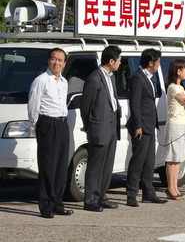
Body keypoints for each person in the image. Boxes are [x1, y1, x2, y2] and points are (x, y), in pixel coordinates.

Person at [28, 47, 73, 218]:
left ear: (64, 63)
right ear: (49, 60)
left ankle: (57, 203)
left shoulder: (64, 81)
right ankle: (46, 205)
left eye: (60, 60)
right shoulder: (41, 80)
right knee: (48, 166)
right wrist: (37, 126)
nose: (57, 63)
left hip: (62, 124)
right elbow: (33, 106)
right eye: (54, 59)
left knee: (61, 166)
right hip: (47, 123)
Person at [80, 46, 122, 212]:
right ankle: (90, 199)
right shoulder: (94, 78)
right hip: (99, 127)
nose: (120, 63)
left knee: (107, 165)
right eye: (118, 60)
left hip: (111, 126)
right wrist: (90, 126)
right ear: (111, 61)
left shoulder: (110, 77)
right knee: (95, 166)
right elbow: (86, 106)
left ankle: (101, 195)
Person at [126, 48, 167, 207]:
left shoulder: (150, 77)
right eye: (157, 62)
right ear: (150, 63)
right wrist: (137, 125)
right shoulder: (138, 78)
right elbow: (134, 103)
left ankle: (148, 192)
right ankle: (131, 193)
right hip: (141, 126)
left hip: (150, 125)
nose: (159, 65)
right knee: (138, 161)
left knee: (150, 161)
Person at [164, 59, 185, 200]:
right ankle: (170, 187)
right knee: (172, 158)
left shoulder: (181, 87)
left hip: (180, 124)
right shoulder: (173, 87)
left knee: (178, 158)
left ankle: (175, 186)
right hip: (174, 124)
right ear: (178, 71)